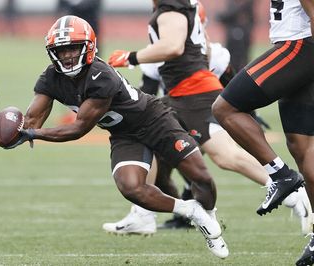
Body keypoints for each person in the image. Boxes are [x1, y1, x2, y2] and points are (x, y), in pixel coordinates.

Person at [0, 15, 229, 259]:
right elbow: (31, 122)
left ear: (88, 47)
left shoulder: (101, 75)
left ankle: (210, 218)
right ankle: (192, 211)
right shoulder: (50, 78)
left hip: (154, 120)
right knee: (131, 187)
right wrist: (3, 120)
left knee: (201, 177)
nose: (67, 55)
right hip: (124, 133)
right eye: (62, 49)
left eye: (73, 48)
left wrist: (32, 133)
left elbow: (77, 129)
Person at [103, 0, 311, 236]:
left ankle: (291, 187)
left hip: (194, 95)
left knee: (227, 156)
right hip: (182, 95)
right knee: (145, 135)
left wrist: (131, 57)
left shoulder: (171, 10)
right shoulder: (182, 12)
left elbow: (173, 47)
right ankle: (142, 214)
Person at [211, 0, 314, 264]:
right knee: (303, 150)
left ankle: (281, 175)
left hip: (299, 46)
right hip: (295, 46)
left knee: (225, 108)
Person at [217, 0, 255, 71]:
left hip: (242, 37)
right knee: (233, 60)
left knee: (241, 60)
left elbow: (251, 20)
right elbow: (224, 17)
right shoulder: (233, 5)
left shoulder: (246, 5)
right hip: (234, 37)